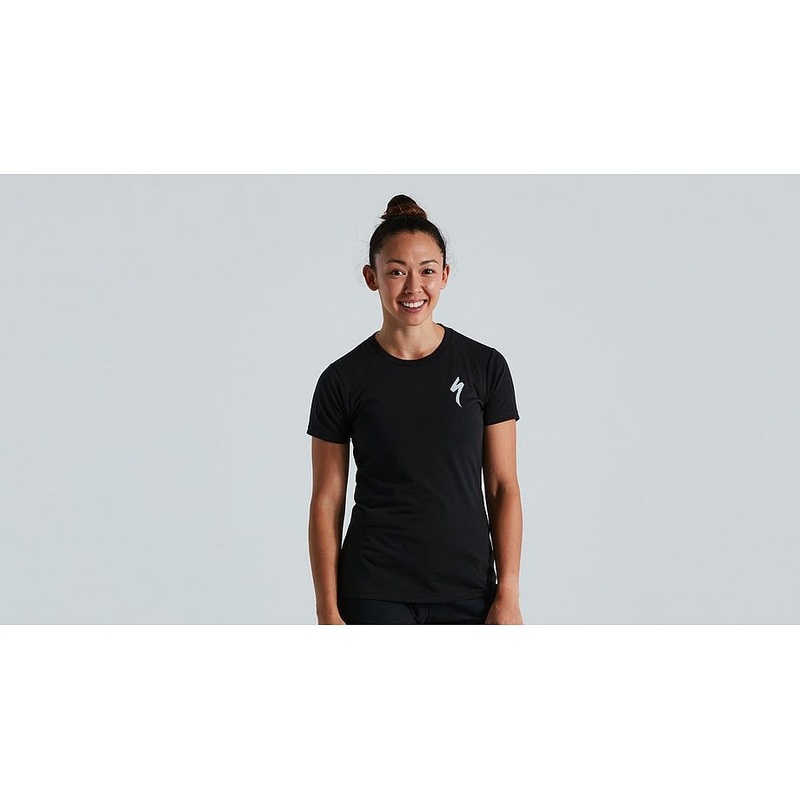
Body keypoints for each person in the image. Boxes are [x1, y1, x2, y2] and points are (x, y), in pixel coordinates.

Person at [306, 194, 524, 624]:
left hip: (468, 590)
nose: (413, 288)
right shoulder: (341, 379)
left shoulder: (485, 367)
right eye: (396, 272)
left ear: (444, 275)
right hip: (373, 589)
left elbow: (503, 487)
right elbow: (326, 501)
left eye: (426, 271)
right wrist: (326, 609)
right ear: (371, 277)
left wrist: (509, 595)